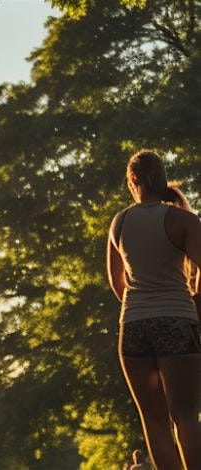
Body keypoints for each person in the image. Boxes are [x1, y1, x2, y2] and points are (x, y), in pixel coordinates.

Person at [106, 150, 200, 469]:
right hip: (177, 321)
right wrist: (194, 302)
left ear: (132, 180)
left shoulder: (119, 222)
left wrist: (141, 306)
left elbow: (118, 285)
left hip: (134, 327)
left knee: (153, 420)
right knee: (186, 415)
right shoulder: (183, 220)